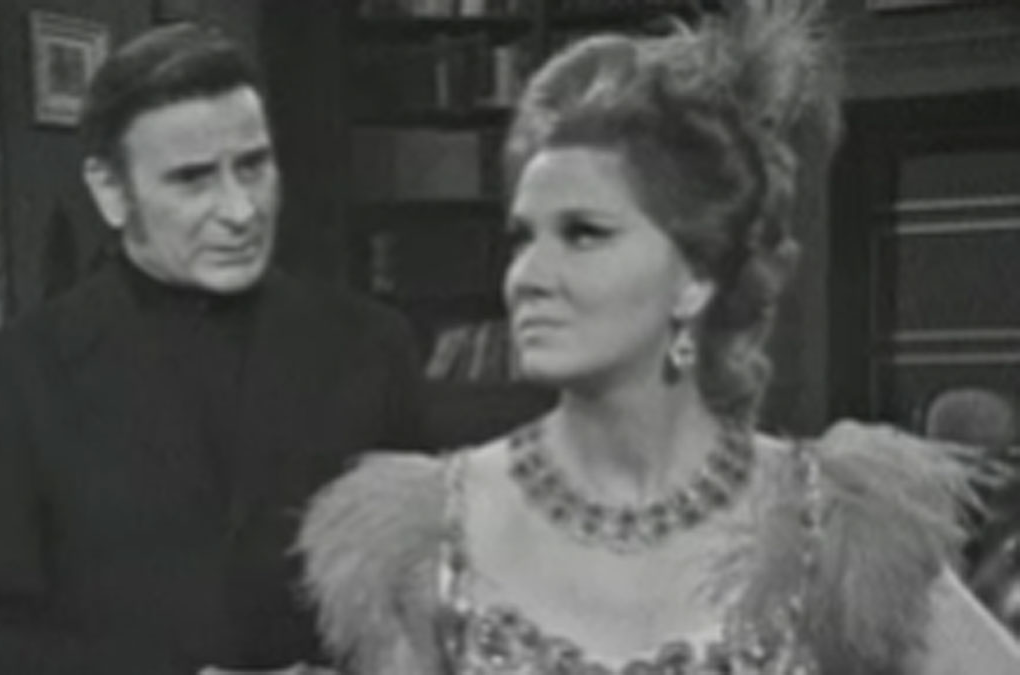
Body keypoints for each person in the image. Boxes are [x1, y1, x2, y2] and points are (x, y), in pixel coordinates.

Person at [298, 1, 1020, 672]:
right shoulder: (431, 533)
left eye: (584, 233)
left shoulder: (835, 529)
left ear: (695, 277)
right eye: (523, 237)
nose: (527, 277)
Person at [0, 23, 426, 675]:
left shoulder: (372, 345)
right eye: (193, 179)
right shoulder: (8, 379)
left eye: (253, 166)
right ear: (111, 191)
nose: (241, 211)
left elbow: (426, 594)